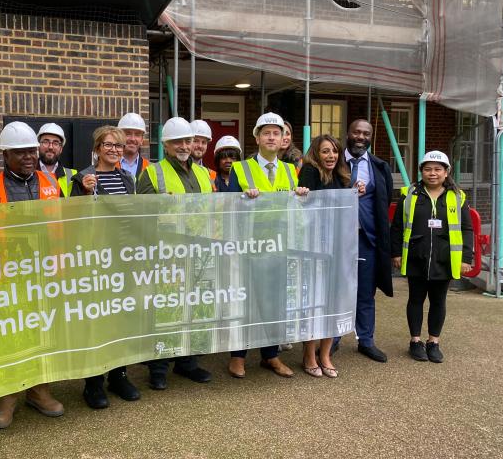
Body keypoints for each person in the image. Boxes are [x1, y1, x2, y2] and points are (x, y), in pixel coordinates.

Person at [0, 121, 65, 429]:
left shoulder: (52, 184)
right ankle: (8, 395)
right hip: (6, 277)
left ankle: (39, 390)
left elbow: (68, 225)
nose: (28, 156)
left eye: (31, 150)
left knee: (45, 332)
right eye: (20, 152)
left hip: (45, 275)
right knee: (9, 336)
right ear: (5, 155)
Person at [225, 112, 307, 379]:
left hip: (279, 248)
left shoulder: (289, 170)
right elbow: (228, 210)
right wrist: (242, 199)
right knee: (245, 302)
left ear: (284, 138)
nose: (272, 137)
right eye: (266, 133)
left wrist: (301, 197)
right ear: (257, 138)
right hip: (248, 248)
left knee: (274, 303)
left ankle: (270, 355)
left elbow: (294, 211)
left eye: (277, 132)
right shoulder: (239, 169)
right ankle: (238, 356)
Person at [137, 117, 213, 389]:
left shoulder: (204, 174)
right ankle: (158, 367)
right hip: (166, 254)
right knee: (165, 310)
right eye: (177, 141)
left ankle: (187, 362)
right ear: (166, 145)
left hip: (199, 253)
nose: (184, 146)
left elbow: (213, 212)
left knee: (194, 307)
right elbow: (142, 217)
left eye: (188, 140)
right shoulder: (152, 173)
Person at [69, 126, 140, 408]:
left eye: (119, 146)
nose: (114, 150)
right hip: (95, 262)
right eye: (109, 145)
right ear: (97, 148)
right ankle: (94, 382)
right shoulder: (82, 178)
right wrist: (84, 194)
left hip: (123, 259)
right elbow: (72, 218)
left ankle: (119, 375)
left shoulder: (128, 178)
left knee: (121, 318)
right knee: (96, 321)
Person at [391, 151, 474, 363]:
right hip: (416, 255)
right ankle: (415, 341)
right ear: (421, 172)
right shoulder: (409, 194)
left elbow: (466, 228)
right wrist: (396, 252)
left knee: (438, 301)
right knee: (416, 299)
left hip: (445, 258)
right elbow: (397, 226)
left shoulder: (458, 197)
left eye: (438, 169)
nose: (433, 173)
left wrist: (466, 257)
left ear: (446, 172)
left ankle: (433, 342)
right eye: (428, 169)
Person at [297, 134, 364, 378]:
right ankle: (309, 354)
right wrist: (301, 194)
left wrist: (355, 192)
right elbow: (304, 208)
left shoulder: (342, 175)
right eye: (325, 151)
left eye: (335, 151)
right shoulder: (309, 173)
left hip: (338, 247)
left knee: (333, 300)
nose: (331, 156)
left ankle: (325, 354)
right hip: (314, 246)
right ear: (316, 153)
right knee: (314, 301)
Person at [339, 119, 394, 362]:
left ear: (371, 137)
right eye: (356, 132)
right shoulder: (331, 160)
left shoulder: (379, 167)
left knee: (365, 292)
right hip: (337, 239)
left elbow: (383, 203)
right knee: (337, 290)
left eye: (366, 133)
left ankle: (366, 340)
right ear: (348, 134)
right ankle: (333, 339)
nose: (360, 137)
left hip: (368, 238)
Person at [37, 122, 77, 197]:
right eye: (46, 142)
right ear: (38, 146)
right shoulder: (28, 174)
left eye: (55, 143)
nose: (50, 147)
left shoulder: (72, 175)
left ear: (61, 149)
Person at [116, 112, 150, 179]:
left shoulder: (150, 168)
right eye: (128, 134)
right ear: (119, 136)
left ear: (142, 139)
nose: (132, 139)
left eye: (137, 135)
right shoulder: (108, 165)